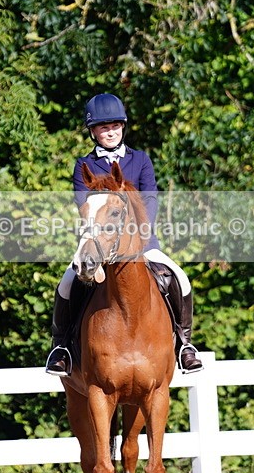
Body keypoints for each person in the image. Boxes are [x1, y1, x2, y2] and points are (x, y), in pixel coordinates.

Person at [45, 93, 203, 376]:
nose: (110, 132)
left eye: (115, 126)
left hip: (140, 242)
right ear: (93, 132)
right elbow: (83, 203)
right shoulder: (85, 165)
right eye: (104, 128)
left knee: (179, 277)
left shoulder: (140, 160)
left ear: (123, 127)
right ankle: (62, 347)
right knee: (67, 283)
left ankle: (184, 344)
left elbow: (150, 197)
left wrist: (142, 230)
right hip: (98, 244)